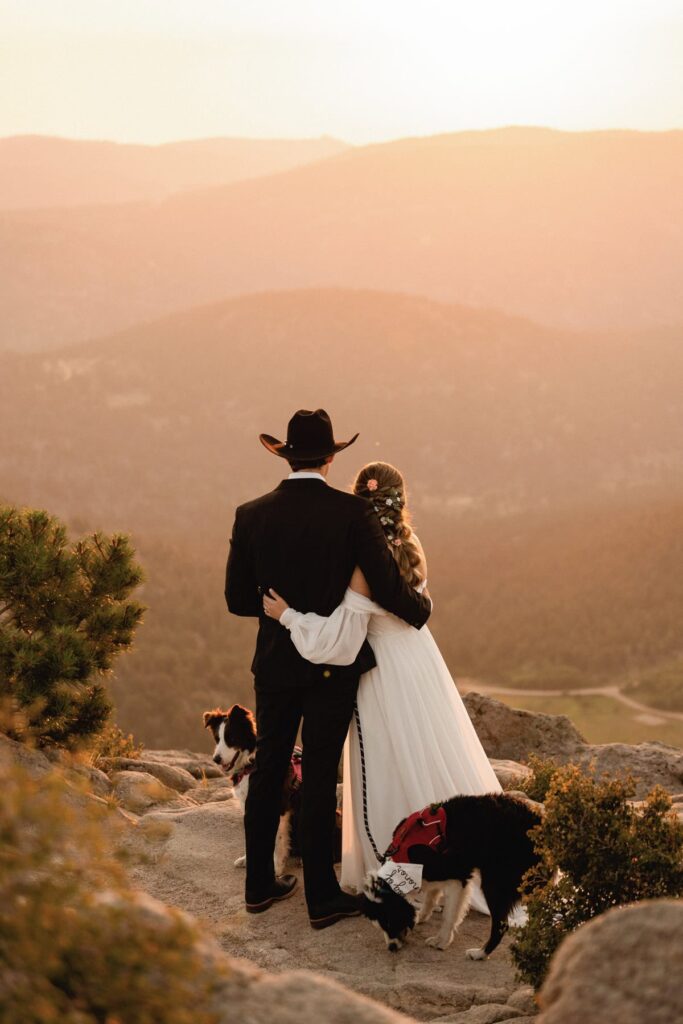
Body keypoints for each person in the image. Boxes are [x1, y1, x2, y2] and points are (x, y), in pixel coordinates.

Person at [225, 410, 431, 929]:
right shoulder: (351, 513)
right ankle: (321, 897)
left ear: (286, 454)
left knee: (269, 767)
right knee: (318, 776)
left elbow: (234, 599)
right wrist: (420, 611)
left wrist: (282, 614)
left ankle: (257, 888)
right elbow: (385, 585)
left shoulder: (250, 514)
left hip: (274, 664)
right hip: (331, 671)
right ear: (331, 457)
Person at [263, 460, 501, 902]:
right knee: (429, 754)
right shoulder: (412, 546)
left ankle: (400, 873)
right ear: (401, 504)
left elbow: (339, 642)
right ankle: (453, 856)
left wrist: (289, 616)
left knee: (391, 764)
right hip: (420, 662)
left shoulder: (361, 564)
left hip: (382, 674)